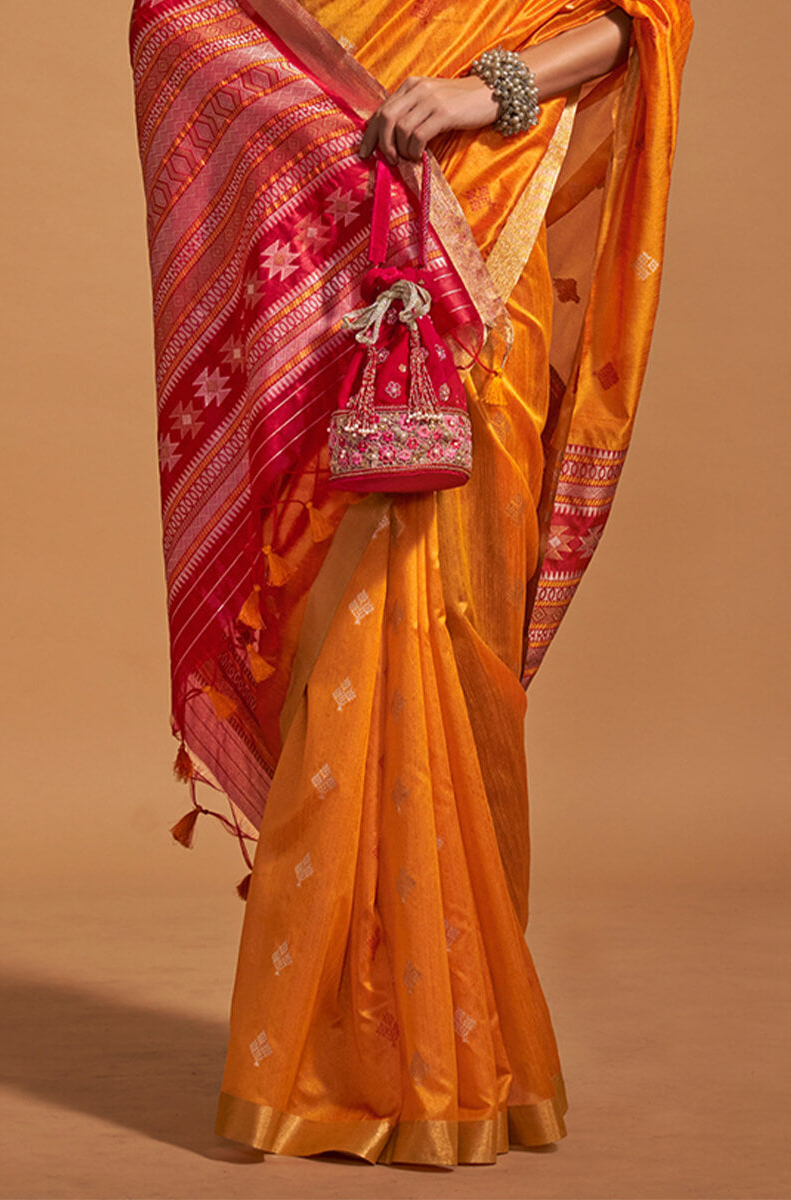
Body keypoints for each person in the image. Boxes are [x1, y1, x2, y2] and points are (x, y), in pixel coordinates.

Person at [130, 0, 693, 1168]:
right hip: (341, 252)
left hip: (488, 238)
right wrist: (319, 122)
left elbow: (647, 11)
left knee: (456, 639)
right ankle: (326, 1054)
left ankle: (454, 1045)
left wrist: (491, 89)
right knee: (343, 657)